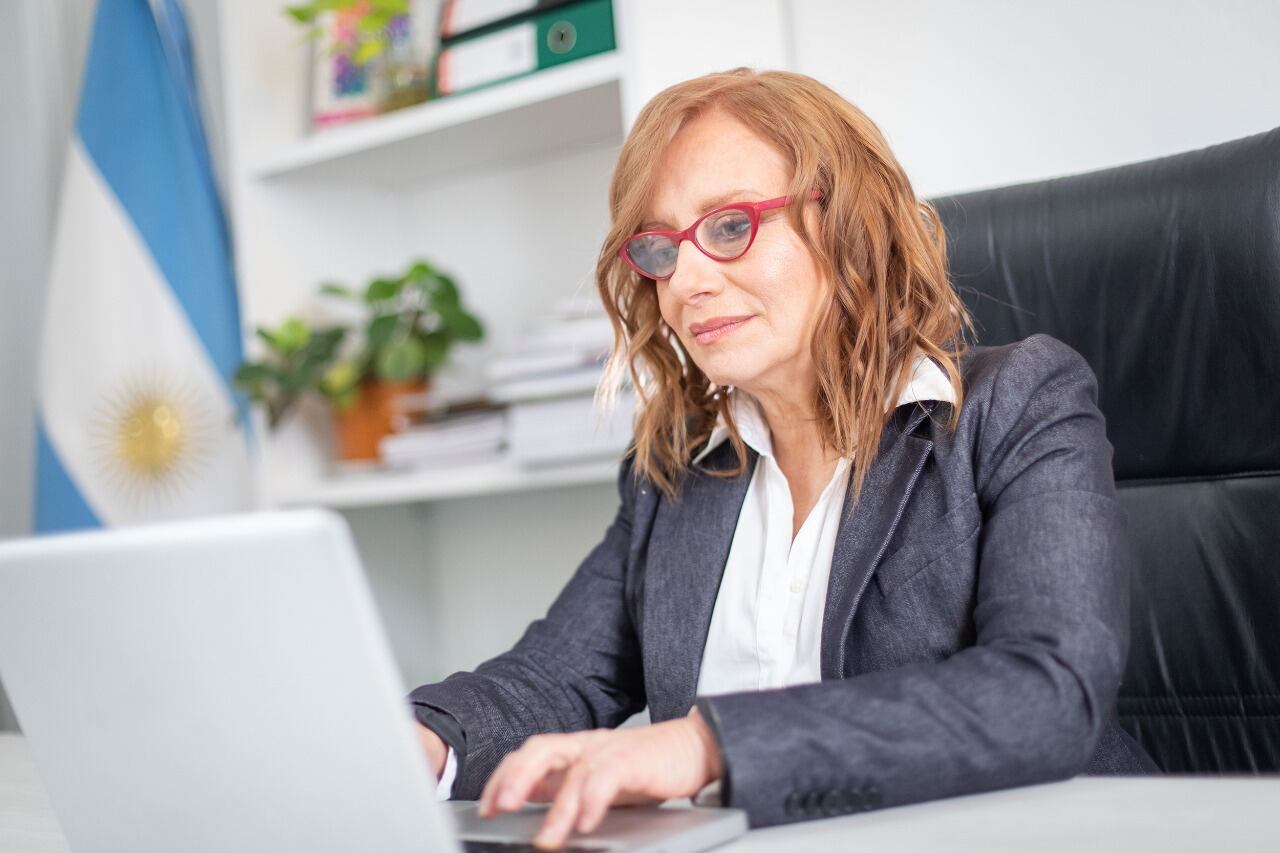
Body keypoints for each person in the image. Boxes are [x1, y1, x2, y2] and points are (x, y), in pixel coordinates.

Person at [408, 67, 1157, 848]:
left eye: (730, 226)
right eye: (662, 247)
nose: (686, 282)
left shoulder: (1017, 405)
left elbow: (1047, 690)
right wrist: (421, 742)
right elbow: (555, 676)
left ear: (849, 224)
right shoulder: (675, 478)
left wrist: (706, 743)